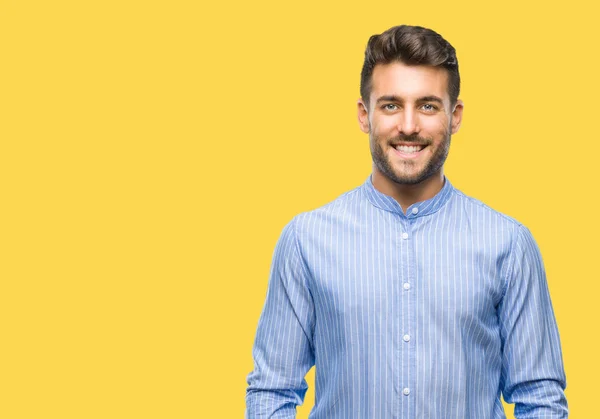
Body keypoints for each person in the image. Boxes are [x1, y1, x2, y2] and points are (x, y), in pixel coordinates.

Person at [245, 24, 568, 418]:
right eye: (391, 105)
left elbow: (541, 399)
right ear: (365, 115)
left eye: (428, 105)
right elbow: (271, 393)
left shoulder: (509, 244)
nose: (409, 125)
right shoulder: (306, 241)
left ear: (455, 116)